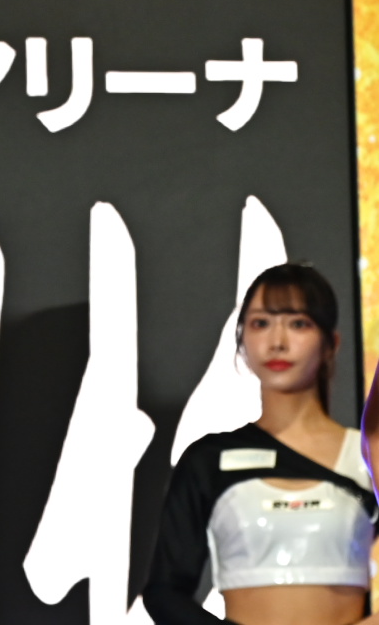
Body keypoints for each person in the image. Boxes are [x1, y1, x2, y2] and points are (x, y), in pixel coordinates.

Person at [142, 263, 378, 625]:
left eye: (298, 323)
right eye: (260, 323)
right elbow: (164, 591)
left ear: (331, 343)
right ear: (242, 340)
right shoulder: (209, 461)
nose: (277, 341)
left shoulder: (366, 457)